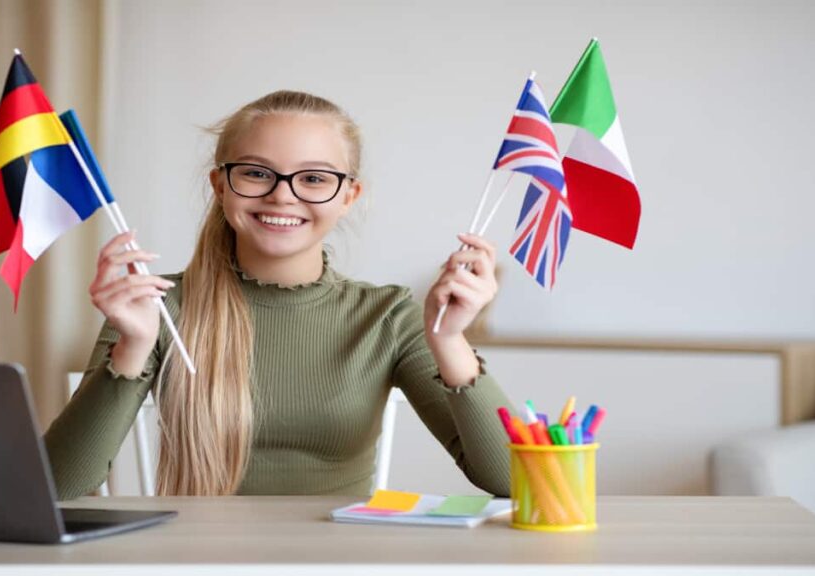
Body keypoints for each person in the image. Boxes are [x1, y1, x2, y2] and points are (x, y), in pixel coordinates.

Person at [44, 90, 515, 500]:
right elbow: (58, 487)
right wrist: (132, 349)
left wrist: (452, 342)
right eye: (255, 173)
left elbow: (514, 480)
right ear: (220, 186)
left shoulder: (388, 316)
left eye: (313, 178)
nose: (282, 196)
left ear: (349, 195)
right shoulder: (156, 308)